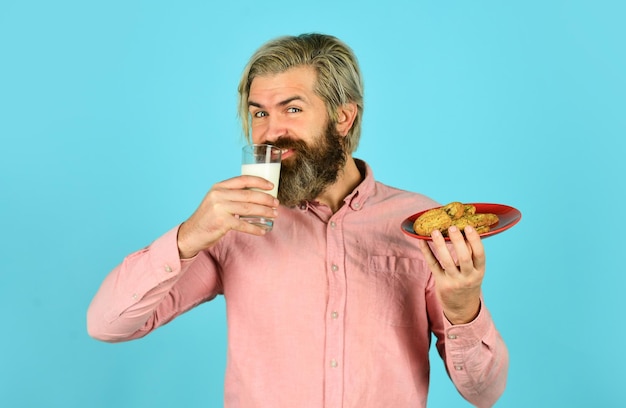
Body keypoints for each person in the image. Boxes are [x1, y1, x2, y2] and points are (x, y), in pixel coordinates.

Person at [87, 33, 508, 407]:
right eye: (259, 113)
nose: (270, 132)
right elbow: (108, 324)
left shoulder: (417, 223)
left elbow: (484, 393)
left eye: (291, 109)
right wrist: (188, 237)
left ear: (343, 117)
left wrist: (462, 306)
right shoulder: (236, 224)